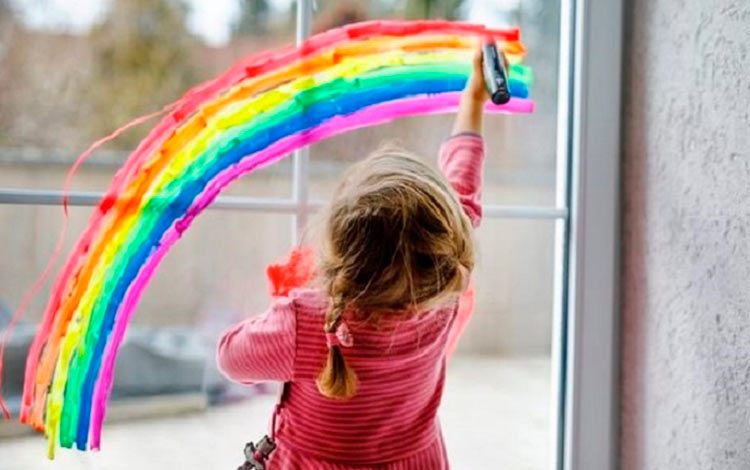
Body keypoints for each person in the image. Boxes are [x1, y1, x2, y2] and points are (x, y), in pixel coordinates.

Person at [217, 44, 491, 469]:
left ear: (340, 247)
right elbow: (464, 185)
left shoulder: (305, 321)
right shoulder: (440, 284)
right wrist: (473, 100)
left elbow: (232, 358)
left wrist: (287, 300)